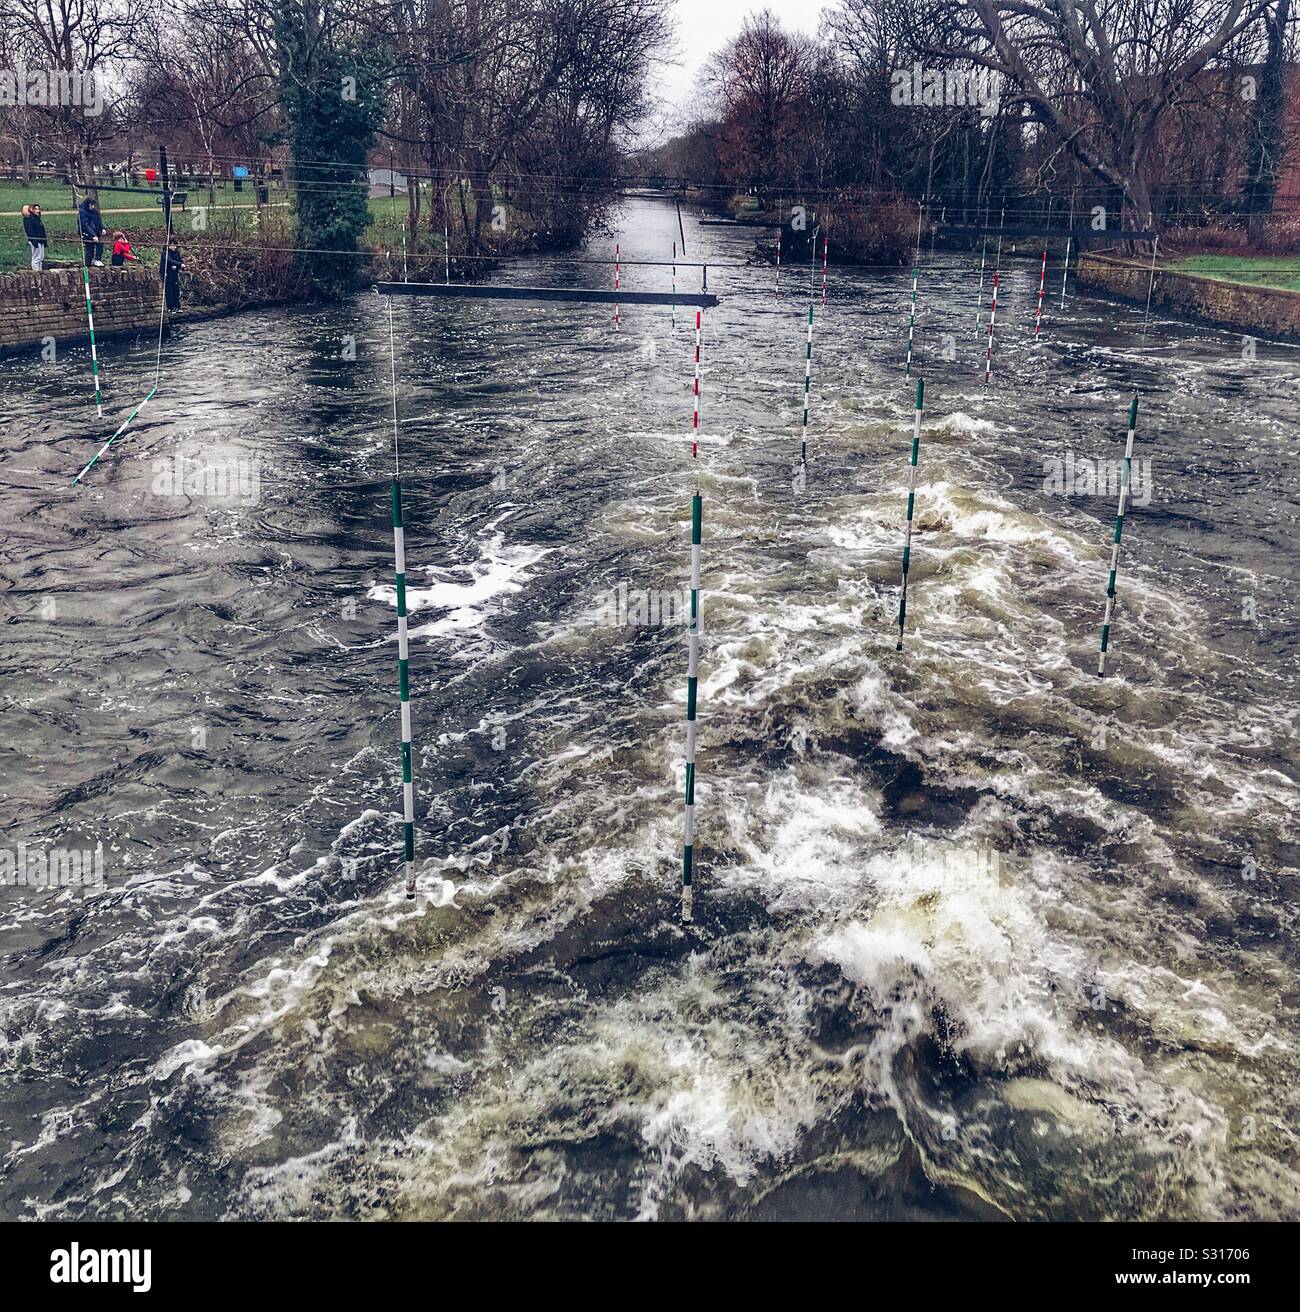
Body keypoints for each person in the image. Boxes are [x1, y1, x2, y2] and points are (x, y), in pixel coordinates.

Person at [78, 195, 105, 266]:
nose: (93, 206)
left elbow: (98, 220)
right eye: (92, 205)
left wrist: (102, 228)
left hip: (95, 231)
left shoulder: (94, 211)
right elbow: (85, 225)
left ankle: (97, 259)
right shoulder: (82, 212)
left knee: (99, 243)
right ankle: (88, 264)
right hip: (87, 234)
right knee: (90, 249)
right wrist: (93, 235)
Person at [159, 236, 183, 311]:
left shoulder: (177, 253)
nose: (174, 247)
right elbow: (168, 260)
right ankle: (170, 307)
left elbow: (180, 261)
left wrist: (178, 266)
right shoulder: (165, 253)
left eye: (175, 245)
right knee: (169, 291)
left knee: (176, 290)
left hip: (174, 274)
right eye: (172, 245)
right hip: (167, 274)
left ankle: (177, 306)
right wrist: (177, 264)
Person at [22, 204, 47, 271]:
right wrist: (34, 241)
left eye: (38, 209)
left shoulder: (37, 218)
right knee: (36, 258)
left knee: (41, 258)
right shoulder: (28, 219)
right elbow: (30, 231)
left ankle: (40, 270)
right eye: (35, 209)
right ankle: (36, 271)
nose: (37, 211)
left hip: (41, 240)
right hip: (35, 240)